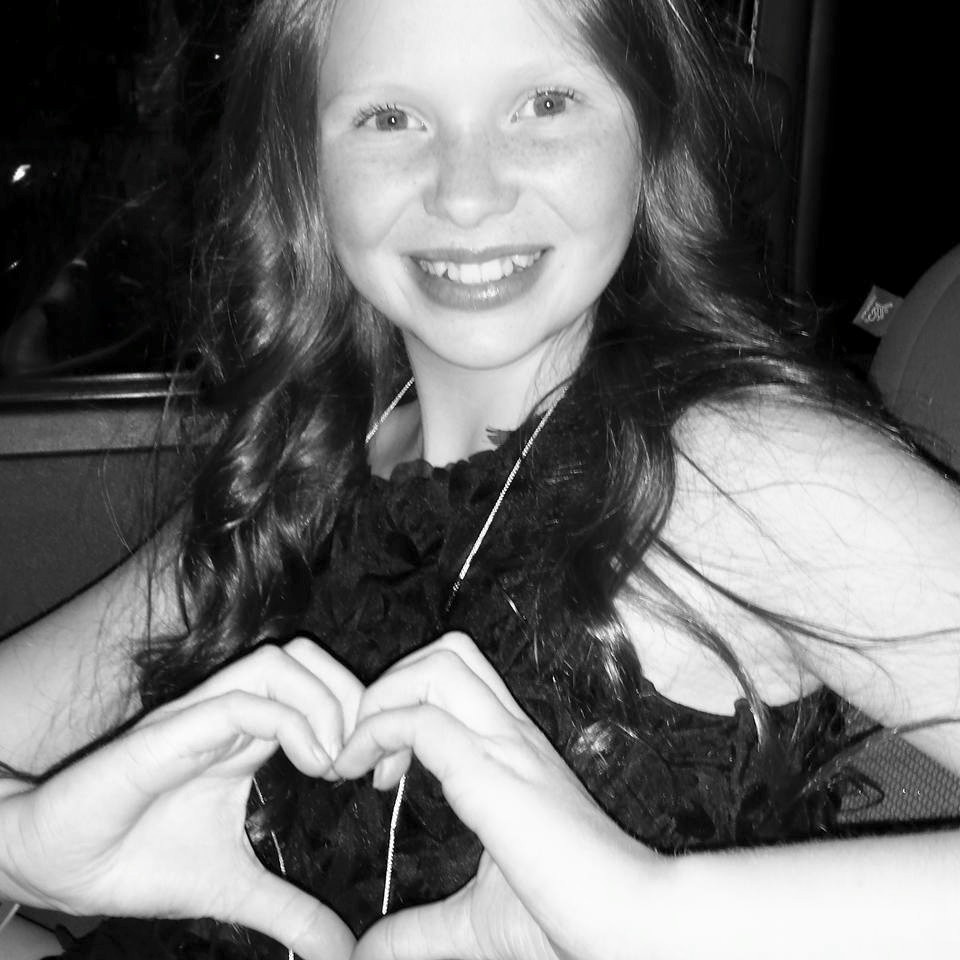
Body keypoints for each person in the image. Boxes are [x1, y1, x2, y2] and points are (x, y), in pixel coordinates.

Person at [1, 0, 960, 957]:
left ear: (651, 123)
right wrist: (25, 851)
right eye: (390, 118)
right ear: (304, 163)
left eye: (545, 104)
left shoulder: (739, 475)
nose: (465, 194)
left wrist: (654, 914)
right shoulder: (304, 465)